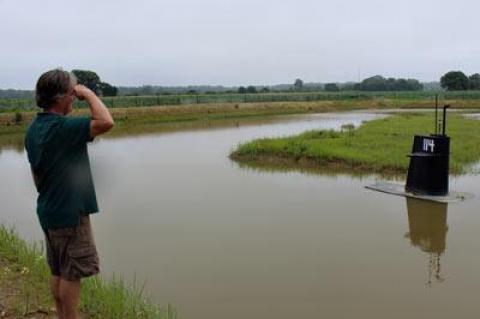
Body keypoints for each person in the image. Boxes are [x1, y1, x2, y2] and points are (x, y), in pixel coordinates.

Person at [25, 68, 114, 319]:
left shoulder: (34, 128)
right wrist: (89, 95)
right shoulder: (62, 128)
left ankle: (61, 315)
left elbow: (35, 174)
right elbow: (106, 121)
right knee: (72, 274)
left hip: (49, 209)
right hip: (69, 214)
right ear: (61, 97)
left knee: (58, 271)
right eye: (72, 93)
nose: (74, 98)